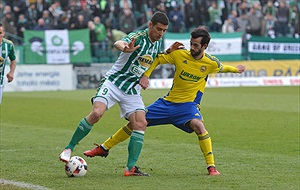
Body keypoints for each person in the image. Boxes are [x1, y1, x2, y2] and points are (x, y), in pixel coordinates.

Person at [83, 26, 246, 176]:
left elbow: (223, 67)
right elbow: (159, 59)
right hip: (166, 104)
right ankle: (104, 148)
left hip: (187, 107)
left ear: (205, 47)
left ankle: (211, 167)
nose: (192, 48)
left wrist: (237, 70)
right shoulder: (180, 54)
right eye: (191, 43)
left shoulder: (210, 62)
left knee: (199, 126)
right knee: (136, 123)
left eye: (196, 45)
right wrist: (146, 75)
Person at [59, 11, 170, 177]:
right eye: (158, 29)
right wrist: (125, 48)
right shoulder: (137, 37)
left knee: (140, 123)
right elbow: (119, 42)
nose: (160, 33)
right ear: (150, 25)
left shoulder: (157, 45)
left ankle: (130, 168)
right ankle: (69, 148)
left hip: (132, 89)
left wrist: (146, 75)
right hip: (113, 83)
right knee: (96, 113)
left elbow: (154, 60)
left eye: (164, 30)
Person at [0, 23, 17, 105]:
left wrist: (11, 72)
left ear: (3, 33)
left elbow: (13, 59)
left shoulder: (8, 45)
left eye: (0, 33)